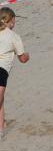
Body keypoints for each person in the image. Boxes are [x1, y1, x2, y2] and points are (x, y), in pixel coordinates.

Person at [0, 7, 30, 138]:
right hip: (1, 70)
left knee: (1, 101)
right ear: (11, 20)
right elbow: (22, 59)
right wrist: (28, 55)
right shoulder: (14, 36)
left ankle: (1, 128)